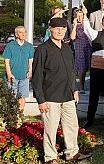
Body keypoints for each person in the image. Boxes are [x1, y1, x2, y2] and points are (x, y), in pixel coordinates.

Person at [31, 17, 91, 163]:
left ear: (66, 30)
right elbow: (36, 76)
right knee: (50, 130)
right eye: (56, 28)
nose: (60, 31)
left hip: (68, 96)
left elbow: (71, 71)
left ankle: (72, 153)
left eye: (63, 29)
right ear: (50, 29)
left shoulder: (67, 48)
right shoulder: (42, 49)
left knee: (71, 126)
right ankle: (50, 157)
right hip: (50, 98)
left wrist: (75, 89)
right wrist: (41, 100)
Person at [81, 6, 104, 128]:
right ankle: (90, 119)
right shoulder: (96, 34)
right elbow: (86, 28)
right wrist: (85, 15)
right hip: (96, 69)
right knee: (94, 95)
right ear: (102, 23)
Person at [3, 26, 35, 111]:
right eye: (21, 32)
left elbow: (30, 61)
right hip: (12, 76)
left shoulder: (29, 46)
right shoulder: (10, 46)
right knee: (11, 97)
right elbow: (6, 61)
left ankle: (20, 116)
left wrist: (30, 71)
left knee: (22, 97)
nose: (23, 34)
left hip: (24, 77)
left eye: (25, 32)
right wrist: (9, 74)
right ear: (16, 34)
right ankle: (12, 115)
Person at [70, 8, 91, 92]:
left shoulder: (88, 23)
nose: (79, 18)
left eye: (81, 16)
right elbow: (72, 37)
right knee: (81, 68)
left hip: (89, 46)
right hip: (79, 47)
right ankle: (81, 87)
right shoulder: (74, 25)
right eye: (77, 16)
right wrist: (75, 25)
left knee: (90, 66)